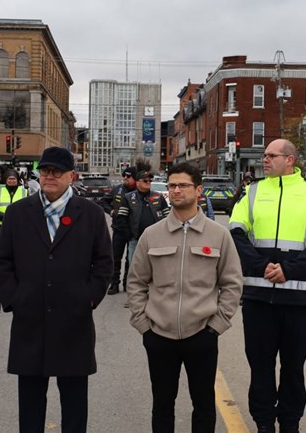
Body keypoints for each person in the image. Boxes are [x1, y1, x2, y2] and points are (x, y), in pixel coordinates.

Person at [0, 147, 113, 433]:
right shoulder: (18, 213)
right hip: (30, 321)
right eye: (45, 171)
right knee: (31, 405)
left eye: (56, 172)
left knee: (74, 405)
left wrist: (87, 299)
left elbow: (104, 264)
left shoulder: (92, 214)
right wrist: (15, 298)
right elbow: (2, 262)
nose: (49, 177)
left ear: (71, 176)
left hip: (74, 322)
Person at [127, 162, 243, 433]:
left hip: (201, 335)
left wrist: (215, 327)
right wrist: (144, 326)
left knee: (203, 405)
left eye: (183, 185)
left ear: (198, 190)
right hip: (159, 336)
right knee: (162, 405)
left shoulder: (219, 235)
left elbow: (232, 283)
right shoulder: (151, 235)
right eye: (171, 186)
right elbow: (136, 282)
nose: (176, 190)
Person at [228, 139, 306, 433]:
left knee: (293, 370)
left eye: (271, 155)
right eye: (263, 155)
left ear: (289, 160)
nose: (264, 160)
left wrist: (288, 270)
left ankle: (290, 423)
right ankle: (263, 423)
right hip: (258, 297)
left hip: (299, 301)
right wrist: (261, 267)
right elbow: (236, 235)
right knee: (260, 368)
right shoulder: (252, 191)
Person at [116, 168, 170, 305]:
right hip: (136, 240)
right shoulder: (129, 198)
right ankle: (132, 298)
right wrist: (129, 235)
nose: (148, 183)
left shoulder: (158, 197)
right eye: (145, 180)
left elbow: (168, 216)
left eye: (149, 180)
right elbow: (121, 218)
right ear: (138, 182)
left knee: (157, 268)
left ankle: (154, 297)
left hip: (156, 240)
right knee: (134, 270)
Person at [101, 166, 137, 294]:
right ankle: (114, 284)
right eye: (124, 176)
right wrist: (110, 211)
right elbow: (103, 201)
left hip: (133, 231)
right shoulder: (118, 189)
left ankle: (127, 283)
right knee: (115, 258)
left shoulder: (139, 190)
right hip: (119, 229)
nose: (125, 178)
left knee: (130, 259)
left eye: (128, 176)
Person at [0, 169, 28, 233]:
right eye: (9, 179)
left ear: (17, 180)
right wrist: (5, 216)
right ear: (5, 180)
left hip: (19, 226)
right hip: (1, 226)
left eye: (14, 179)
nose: (12, 181)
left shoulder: (25, 192)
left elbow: (29, 210)